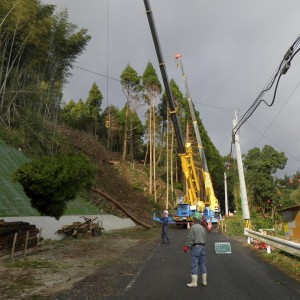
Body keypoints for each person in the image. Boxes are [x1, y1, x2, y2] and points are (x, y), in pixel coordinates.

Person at [183, 211, 208, 287]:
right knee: (202, 265)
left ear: (194, 219)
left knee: (194, 265)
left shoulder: (193, 227)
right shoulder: (202, 228)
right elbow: (204, 238)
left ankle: (194, 283)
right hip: (202, 248)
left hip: (195, 248)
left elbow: (190, 238)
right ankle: (204, 281)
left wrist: (187, 246)